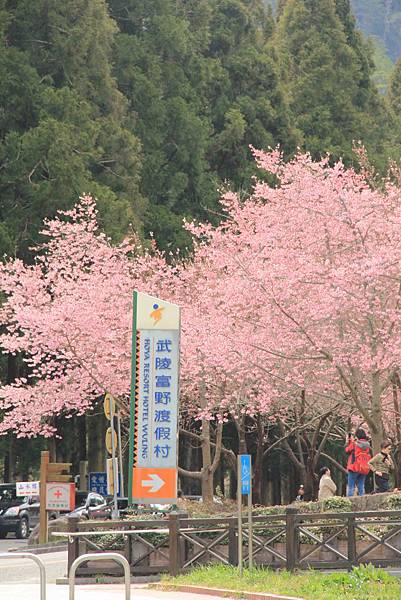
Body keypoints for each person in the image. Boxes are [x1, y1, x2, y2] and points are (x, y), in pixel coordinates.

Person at [345, 428, 371, 497]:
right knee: (361, 486)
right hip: (364, 468)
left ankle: (349, 502)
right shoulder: (367, 445)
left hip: (354, 467)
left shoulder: (355, 444)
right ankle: (362, 501)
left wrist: (348, 442)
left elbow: (347, 450)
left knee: (351, 486)